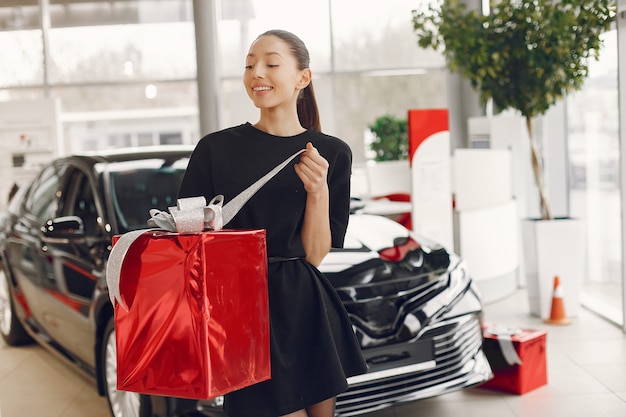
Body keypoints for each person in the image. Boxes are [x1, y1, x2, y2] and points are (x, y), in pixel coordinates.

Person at [177, 29, 367, 417]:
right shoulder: (215, 149)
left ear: (303, 78)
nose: (256, 73)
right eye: (249, 64)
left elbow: (314, 256)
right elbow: (186, 240)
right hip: (242, 311)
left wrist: (318, 192)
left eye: (271, 63)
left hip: (305, 307)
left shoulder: (331, 153)